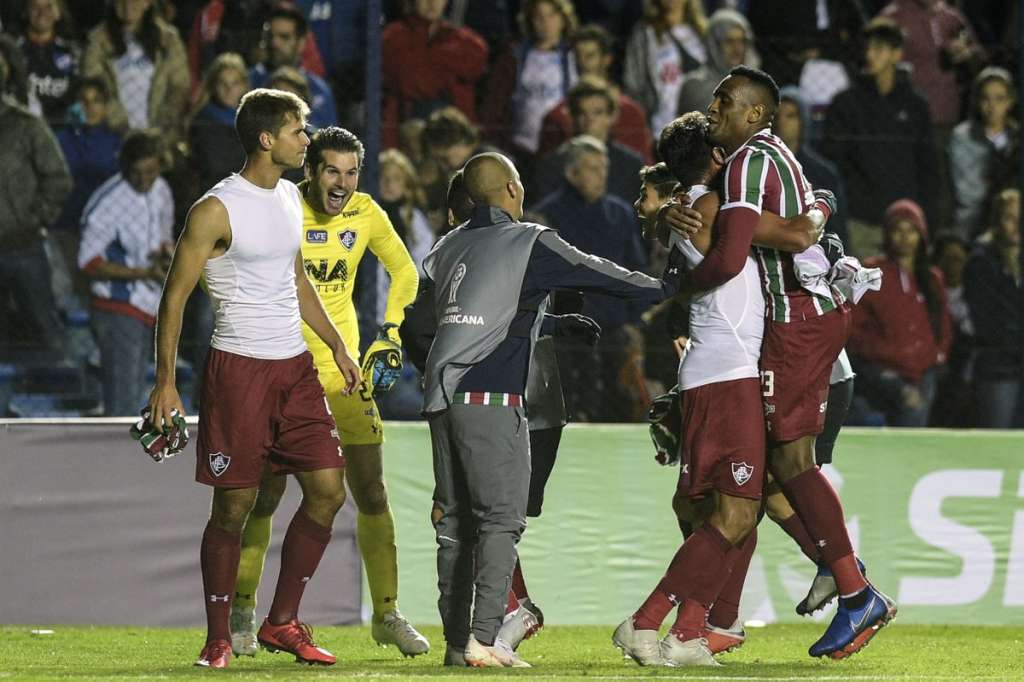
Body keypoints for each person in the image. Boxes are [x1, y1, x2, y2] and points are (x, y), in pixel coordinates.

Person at [420, 152, 678, 667]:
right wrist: (664, 287)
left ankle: (455, 644)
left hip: (442, 401)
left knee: (454, 525)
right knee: (500, 521)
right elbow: (596, 272)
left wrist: (552, 325)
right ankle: (485, 639)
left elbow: (468, 317)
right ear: (512, 190)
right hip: (493, 401)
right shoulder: (527, 240)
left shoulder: (445, 249)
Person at [146, 89, 360, 669]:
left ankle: (282, 622)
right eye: (298, 130)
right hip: (239, 371)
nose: (307, 140)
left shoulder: (289, 196)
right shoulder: (215, 209)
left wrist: (336, 346)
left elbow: (296, 279)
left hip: (295, 369)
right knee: (233, 509)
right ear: (267, 139)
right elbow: (174, 298)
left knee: (328, 492)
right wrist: (165, 382)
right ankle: (218, 638)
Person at [621, 111, 844, 665]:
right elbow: (796, 233)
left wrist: (665, 225)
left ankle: (691, 631)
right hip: (728, 376)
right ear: (719, 158)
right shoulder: (718, 209)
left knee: (733, 511)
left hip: (723, 372)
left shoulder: (695, 208)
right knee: (738, 513)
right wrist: (822, 202)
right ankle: (647, 622)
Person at [699, 66, 894, 659]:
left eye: (725, 100)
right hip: (806, 318)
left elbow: (733, 254)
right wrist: (808, 217)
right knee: (770, 470)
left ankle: (854, 588)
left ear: (755, 113)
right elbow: (796, 227)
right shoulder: (765, 156)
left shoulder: (746, 162)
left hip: (797, 321)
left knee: (788, 462)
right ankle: (826, 578)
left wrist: (669, 290)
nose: (714, 108)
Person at [227, 126, 428, 659]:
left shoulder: (365, 212)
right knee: (266, 496)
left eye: (351, 172)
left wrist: (389, 332)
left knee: (372, 492)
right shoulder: (282, 208)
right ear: (310, 171)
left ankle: (386, 613)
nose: (342, 183)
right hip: (283, 373)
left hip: (344, 377)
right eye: (332, 171)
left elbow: (405, 272)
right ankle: (243, 611)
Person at [78, 129, 173, 416]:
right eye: (137, 173)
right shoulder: (109, 202)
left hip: (150, 304)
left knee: (137, 398)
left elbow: (162, 238)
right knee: (123, 405)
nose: (144, 180)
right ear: (125, 168)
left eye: (151, 172)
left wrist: (165, 256)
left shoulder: (161, 190)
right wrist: (144, 273)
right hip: (117, 308)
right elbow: (89, 262)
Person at [824, 17, 936, 258]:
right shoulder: (845, 103)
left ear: (897, 54)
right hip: (860, 220)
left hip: (904, 223)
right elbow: (835, 160)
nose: (869, 55)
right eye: (867, 48)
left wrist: (924, 214)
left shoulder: (916, 105)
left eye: (879, 48)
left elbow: (928, 165)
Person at [847, 199, 953, 427]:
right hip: (882, 372)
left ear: (921, 235)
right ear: (887, 234)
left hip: (925, 373)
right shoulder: (871, 272)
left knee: (917, 428)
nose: (905, 237)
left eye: (911, 230)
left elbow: (943, 323)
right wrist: (881, 355)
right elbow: (853, 328)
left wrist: (938, 355)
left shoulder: (932, 278)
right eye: (898, 230)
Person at [0, 41, 72, 353]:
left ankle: (61, 380)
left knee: (48, 333)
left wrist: (33, 219)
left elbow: (59, 179)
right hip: (22, 244)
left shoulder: (26, 125)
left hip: (23, 246)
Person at [536, 23, 653, 163]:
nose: (582, 63)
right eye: (577, 56)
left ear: (606, 59)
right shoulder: (555, 116)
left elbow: (643, 165)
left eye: (589, 56)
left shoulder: (631, 112)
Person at [381, 0, 488, 149]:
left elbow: (479, 56)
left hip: (456, 138)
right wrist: (446, 72)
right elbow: (411, 81)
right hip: (406, 132)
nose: (432, 2)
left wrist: (429, 61)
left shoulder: (464, 40)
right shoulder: (392, 37)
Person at [481, 0, 578, 156]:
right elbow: (495, 106)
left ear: (563, 18)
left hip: (563, 148)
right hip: (520, 148)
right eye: (538, 17)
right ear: (530, 21)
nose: (545, 23)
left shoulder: (576, 56)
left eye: (551, 15)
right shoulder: (513, 58)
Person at [82, 0, 190, 140]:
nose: (128, 4)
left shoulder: (169, 40)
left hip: (159, 135)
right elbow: (94, 84)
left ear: (147, 3)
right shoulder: (97, 41)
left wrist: (160, 128)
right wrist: (122, 127)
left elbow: (179, 86)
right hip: (112, 135)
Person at [530, 77, 646, 206]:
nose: (589, 120)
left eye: (597, 113)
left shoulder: (631, 166)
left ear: (612, 116)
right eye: (581, 113)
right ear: (571, 116)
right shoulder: (553, 165)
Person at [964, 188, 1024, 428]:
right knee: (997, 438)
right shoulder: (982, 261)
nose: (1016, 225)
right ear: (996, 222)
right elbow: (987, 321)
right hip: (998, 368)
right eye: (1009, 218)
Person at [950, 67, 1018, 238]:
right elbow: (967, 193)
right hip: (971, 222)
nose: (992, 106)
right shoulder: (962, 136)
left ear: (1010, 101)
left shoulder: (1017, 138)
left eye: (999, 98)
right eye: (985, 98)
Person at [775, 86, 849, 246]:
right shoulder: (758, 165)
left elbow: (836, 226)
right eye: (777, 115)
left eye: (790, 116)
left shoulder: (823, 173)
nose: (782, 122)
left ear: (804, 121)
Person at [623, 0, 708, 135]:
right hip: (661, 124)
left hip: (701, 122)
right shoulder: (645, 33)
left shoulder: (701, 32)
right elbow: (634, 83)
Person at [249, 3, 337, 130]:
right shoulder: (248, 81)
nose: (275, 43)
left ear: (301, 43)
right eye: (270, 36)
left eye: (284, 37)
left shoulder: (318, 91)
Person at [189, 52, 249, 197]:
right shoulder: (203, 121)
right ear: (213, 86)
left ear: (243, 86)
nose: (228, 89)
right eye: (222, 83)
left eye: (234, 83)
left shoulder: (250, 119)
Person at [677, 8, 756, 118]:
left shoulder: (757, 86)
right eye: (729, 41)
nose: (737, 49)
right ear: (714, 44)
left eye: (741, 41)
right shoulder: (695, 86)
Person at [17, 0, 80, 128]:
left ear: (58, 13)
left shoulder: (73, 51)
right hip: (20, 126)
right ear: (25, 11)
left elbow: (77, 95)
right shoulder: (12, 48)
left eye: (49, 6)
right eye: (35, 7)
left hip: (60, 129)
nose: (42, 13)